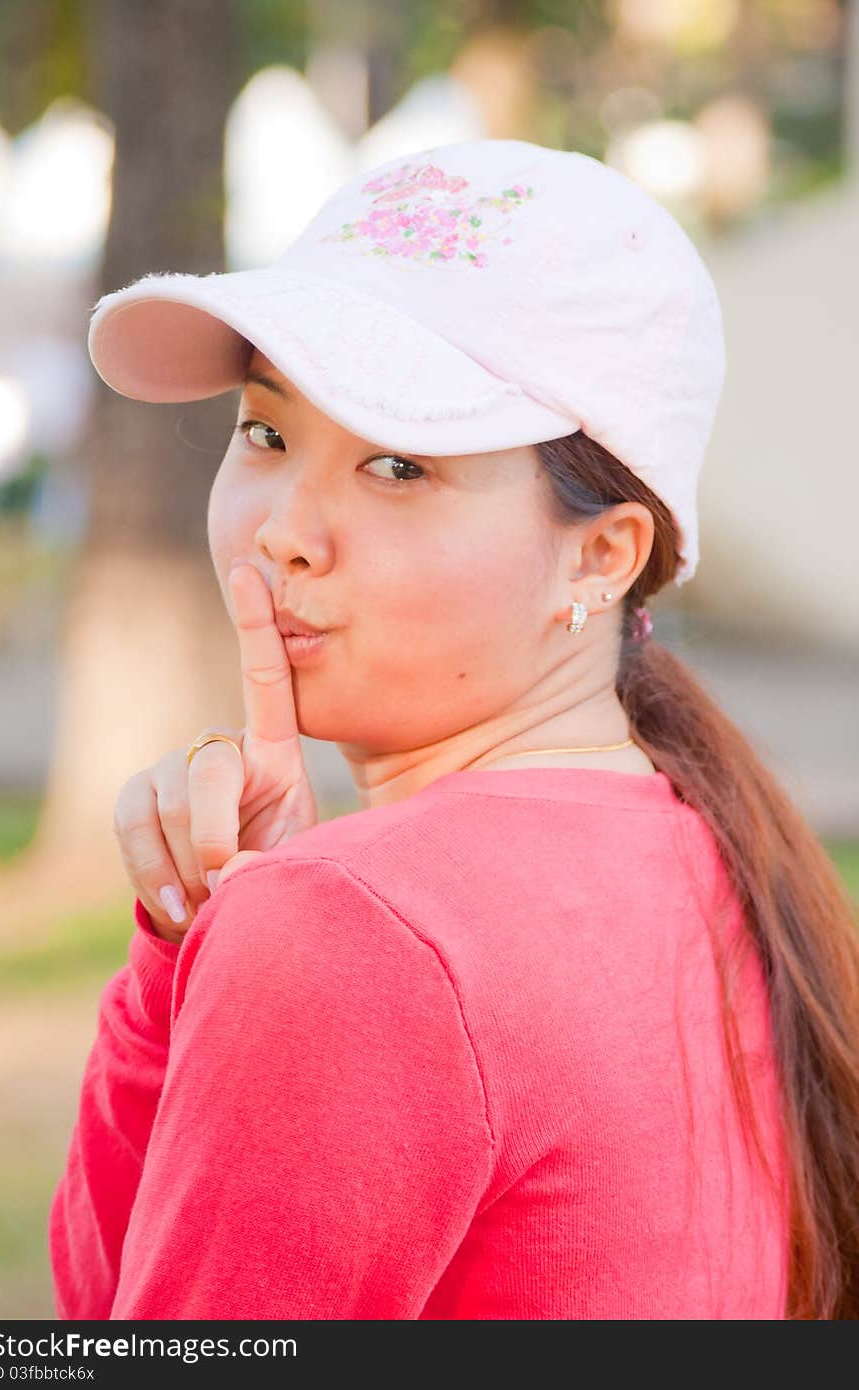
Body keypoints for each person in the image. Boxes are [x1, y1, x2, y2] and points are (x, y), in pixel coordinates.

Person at [49, 139, 859, 1320]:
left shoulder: (357, 928)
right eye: (267, 434)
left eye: (395, 464)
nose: (283, 531)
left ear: (599, 555)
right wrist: (188, 941)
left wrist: (282, 926)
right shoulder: (708, 851)